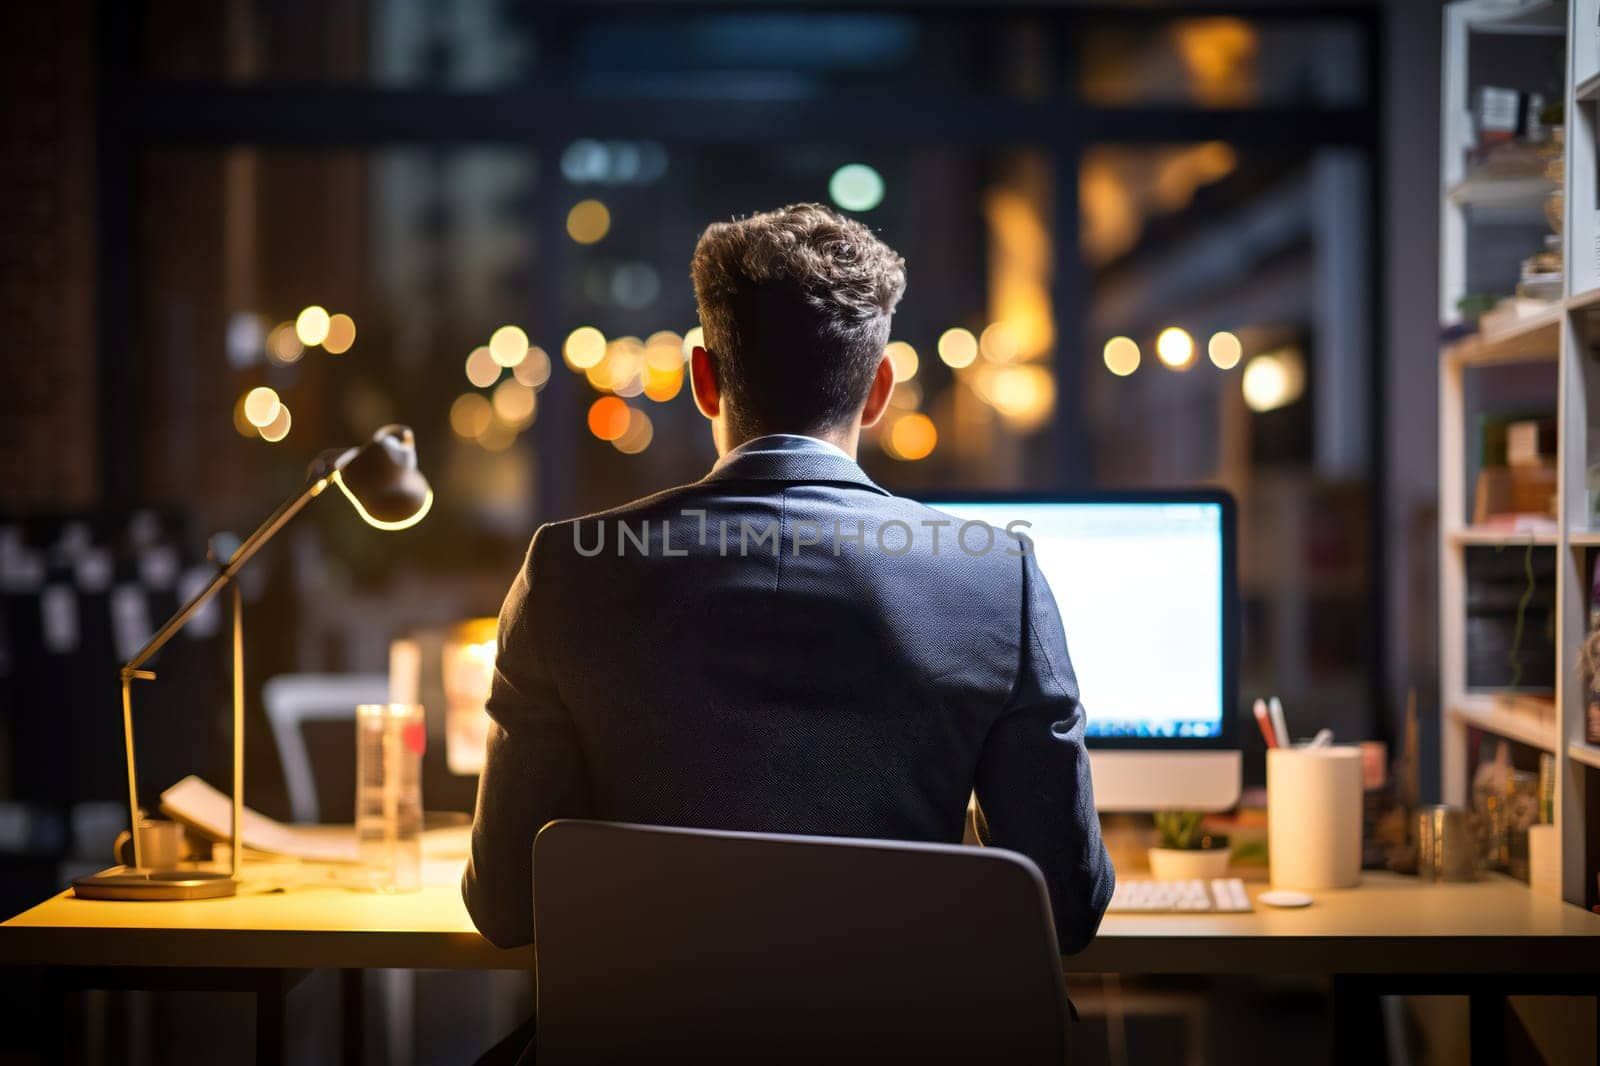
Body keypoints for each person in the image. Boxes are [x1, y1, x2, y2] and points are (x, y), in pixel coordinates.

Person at [463, 203, 1114, 962]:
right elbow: (1064, 908)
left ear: (704, 381)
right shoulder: (1000, 579)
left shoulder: (567, 572)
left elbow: (506, 904)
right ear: (879, 389)